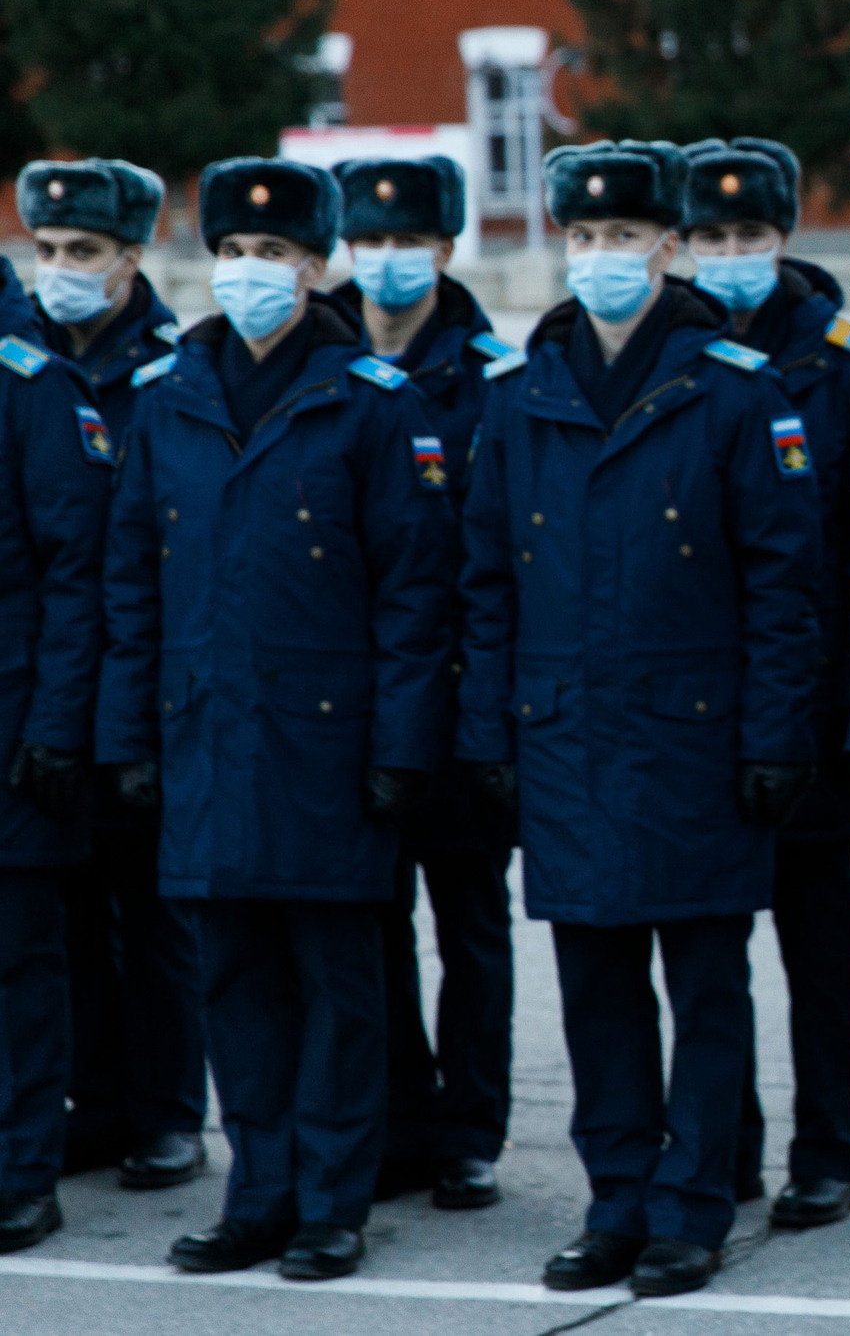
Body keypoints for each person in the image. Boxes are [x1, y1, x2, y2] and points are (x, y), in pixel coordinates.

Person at [456, 140, 822, 1300]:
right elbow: (484, 586)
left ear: (669, 249)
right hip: (565, 738)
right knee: (596, 986)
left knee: (706, 984)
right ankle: (616, 1199)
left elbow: (784, 586)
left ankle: (693, 1204)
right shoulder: (521, 401)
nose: (602, 258)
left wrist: (775, 738)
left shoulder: (735, 392)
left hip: (695, 739)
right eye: (585, 239)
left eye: (625, 239)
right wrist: (487, 737)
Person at [96, 157, 457, 1282]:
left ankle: (330, 1203)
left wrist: (403, 746)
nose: (253, 273)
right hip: (206, 738)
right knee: (233, 983)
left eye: (277, 256)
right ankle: (256, 1194)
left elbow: (416, 593)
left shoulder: (372, 403)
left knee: (338, 989)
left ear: (316, 266)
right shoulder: (168, 399)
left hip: (326, 748)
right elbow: (130, 584)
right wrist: (127, 738)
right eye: (236, 255)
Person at [678, 135, 850, 1232]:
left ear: (785, 241)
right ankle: (728, 1148)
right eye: (708, 238)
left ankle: (827, 1150)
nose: (727, 257)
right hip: (691, 713)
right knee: (709, 949)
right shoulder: (666, 355)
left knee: (818, 949)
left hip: (806, 705)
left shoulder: (847, 365)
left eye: (748, 236)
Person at [318, 155, 516, 1215]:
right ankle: (396, 1115)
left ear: (445, 249)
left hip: (460, 689)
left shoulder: (494, 375)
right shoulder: (325, 359)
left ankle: (468, 1127)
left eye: (411, 243)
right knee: (372, 920)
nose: (389, 262)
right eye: (372, 242)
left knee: (473, 924)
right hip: (355, 704)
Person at [19, 159, 208, 1195]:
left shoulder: (175, 372)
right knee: (72, 909)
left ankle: (170, 1112)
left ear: (133, 257)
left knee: (156, 905)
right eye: (46, 251)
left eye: (83, 253)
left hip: (145, 674)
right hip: (52, 677)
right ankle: (94, 1101)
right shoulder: (25, 365)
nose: (61, 271)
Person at [0, 317, 115, 1253]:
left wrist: (55, 724)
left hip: (10, 733)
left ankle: (21, 1172)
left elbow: (80, 573)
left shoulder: (33, 386)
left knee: (16, 964)